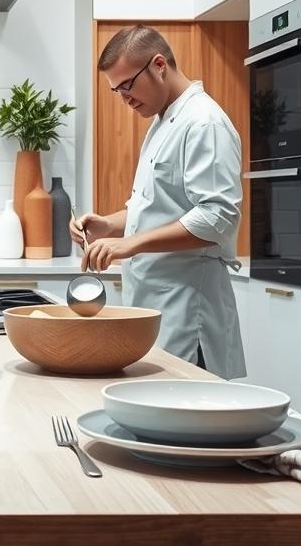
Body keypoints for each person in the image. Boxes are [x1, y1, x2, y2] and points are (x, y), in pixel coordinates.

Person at [71, 24, 245, 378]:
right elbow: (155, 207)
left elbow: (217, 218)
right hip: (155, 307)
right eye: (117, 91)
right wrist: (109, 224)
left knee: (189, 420)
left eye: (128, 86)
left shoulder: (204, 123)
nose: (125, 99)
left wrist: (130, 244)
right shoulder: (162, 122)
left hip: (187, 313)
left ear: (159, 64)